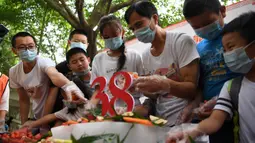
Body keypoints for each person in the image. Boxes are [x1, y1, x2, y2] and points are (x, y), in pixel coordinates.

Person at [167, 11, 255, 143]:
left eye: (231, 47)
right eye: (224, 50)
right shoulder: (231, 88)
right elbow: (214, 120)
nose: (227, 55)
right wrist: (191, 132)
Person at [124, 1, 200, 127]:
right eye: (133, 29)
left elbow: (192, 89)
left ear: (154, 18)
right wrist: (139, 87)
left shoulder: (181, 42)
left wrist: (164, 84)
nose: (136, 32)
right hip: (162, 123)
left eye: (139, 24)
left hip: (187, 121)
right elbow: (156, 95)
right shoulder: (146, 55)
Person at [182, 0, 241, 142]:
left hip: (238, 111)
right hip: (209, 116)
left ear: (222, 11)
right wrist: (194, 105)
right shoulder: (198, 49)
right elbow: (201, 84)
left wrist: (221, 101)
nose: (203, 29)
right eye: (196, 27)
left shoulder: (238, 37)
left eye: (208, 23)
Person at [9, 32, 87, 125]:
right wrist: (24, 124)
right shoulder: (14, 72)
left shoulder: (44, 62)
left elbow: (55, 75)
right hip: (37, 115)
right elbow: (23, 100)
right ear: (14, 50)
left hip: (55, 116)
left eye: (31, 46)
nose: (28, 50)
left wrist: (69, 87)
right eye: (22, 47)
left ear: (35, 47)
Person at [22, 46, 95, 128]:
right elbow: (53, 116)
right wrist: (32, 124)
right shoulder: (69, 84)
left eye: (82, 60)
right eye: (74, 62)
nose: (79, 64)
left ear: (88, 60)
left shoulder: (99, 79)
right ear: (69, 66)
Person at [90, 15, 144, 108]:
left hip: (133, 109)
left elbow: (144, 83)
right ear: (101, 36)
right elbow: (98, 90)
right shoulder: (98, 59)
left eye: (115, 35)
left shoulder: (134, 56)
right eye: (107, 36)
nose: (112, 39)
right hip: (108, 109)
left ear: (122, 32)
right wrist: (89, 107)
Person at [43, 29, 91, 118]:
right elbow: (52, 95)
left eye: (83, 42)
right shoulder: (60, 68)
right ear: (69, 42)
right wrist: (45, 120)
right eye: (76, 41)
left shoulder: (95, 65)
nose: (79, 64)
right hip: (66, 113)